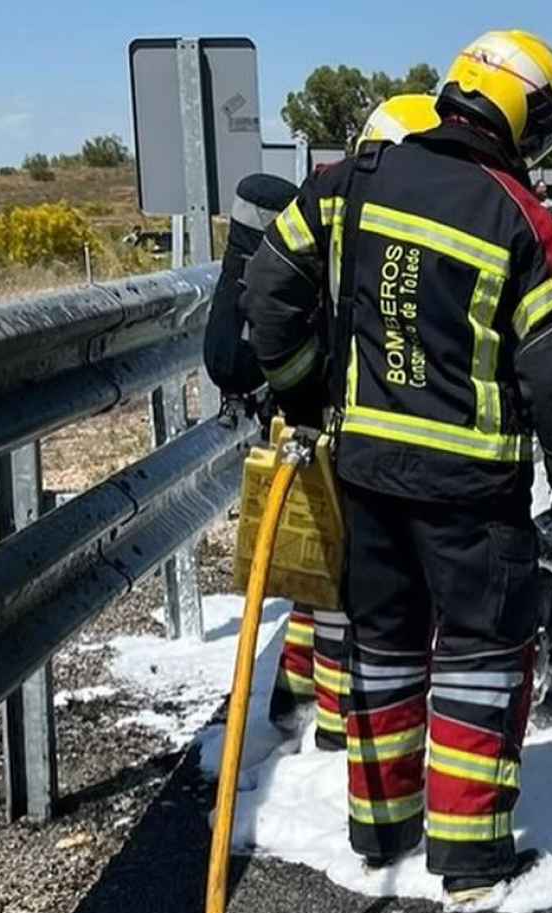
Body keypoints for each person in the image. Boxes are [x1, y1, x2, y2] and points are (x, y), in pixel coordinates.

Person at [242, 29, 552, 913]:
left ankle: (382, 835)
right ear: (520, 109)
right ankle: (472, 862)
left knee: (383, 651)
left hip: (365, 479)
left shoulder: (352, 181)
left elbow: (267, 290)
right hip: (474, 495)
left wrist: (303, 397)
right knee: (481, 660)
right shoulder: (522, 220)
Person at [200, 172, 351, 749]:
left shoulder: (319, 215)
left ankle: (291, 700)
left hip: (289, 416)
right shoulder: (341, 224)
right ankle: (334, 734)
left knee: (316, 576)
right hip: (316, 419)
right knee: (341, 582)